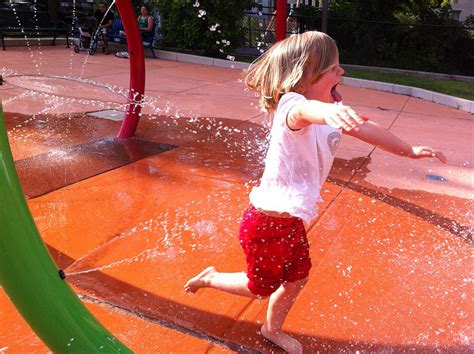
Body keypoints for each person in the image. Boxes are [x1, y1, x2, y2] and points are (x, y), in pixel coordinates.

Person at [184, 31, 446, 354]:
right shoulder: (293, 106)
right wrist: (327, 113)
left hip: (291, 223)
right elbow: (304, 113)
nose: (342, 73)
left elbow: (368, 129)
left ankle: (271, 329)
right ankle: (210, 278)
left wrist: (409, 150)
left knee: (297, 279)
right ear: (307, 73)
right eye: (334, 68)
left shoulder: (330, 109)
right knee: (260, 287)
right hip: (264, 225)